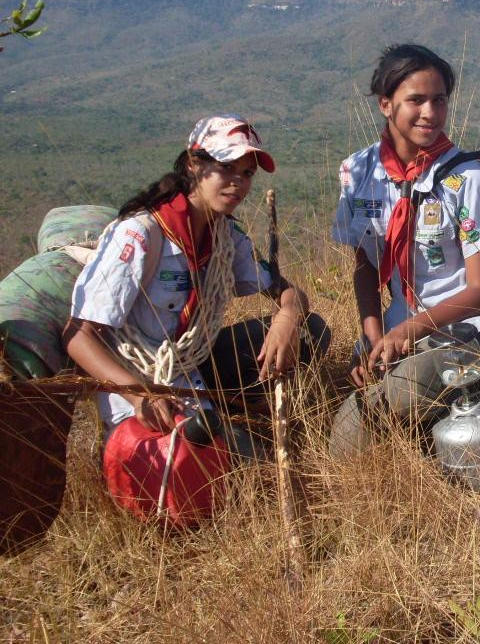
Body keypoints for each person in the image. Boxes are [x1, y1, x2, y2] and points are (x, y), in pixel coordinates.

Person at [328, 44, 480, 459]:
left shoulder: (463, 179)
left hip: (472, 327)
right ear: (385, 105)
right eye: (416, 100)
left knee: (371, 415)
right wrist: (372, 335)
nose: (430, 112)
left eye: (440, 100)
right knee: (348, 438)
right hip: (402, 325)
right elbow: (365, 263)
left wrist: (404, 335)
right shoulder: (360, 172)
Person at [64, 114, 330, 446]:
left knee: (309, 329)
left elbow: (285, 290)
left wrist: (288, 316)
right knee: (225, 465)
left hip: (190, 366)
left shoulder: (225, 235)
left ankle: (226, 406)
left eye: (246, 173)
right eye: (227, 167)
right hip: (139, 381)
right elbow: (78, 336)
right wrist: (138, 396)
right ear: (194, 164)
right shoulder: (142, 234)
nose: (238, 182)